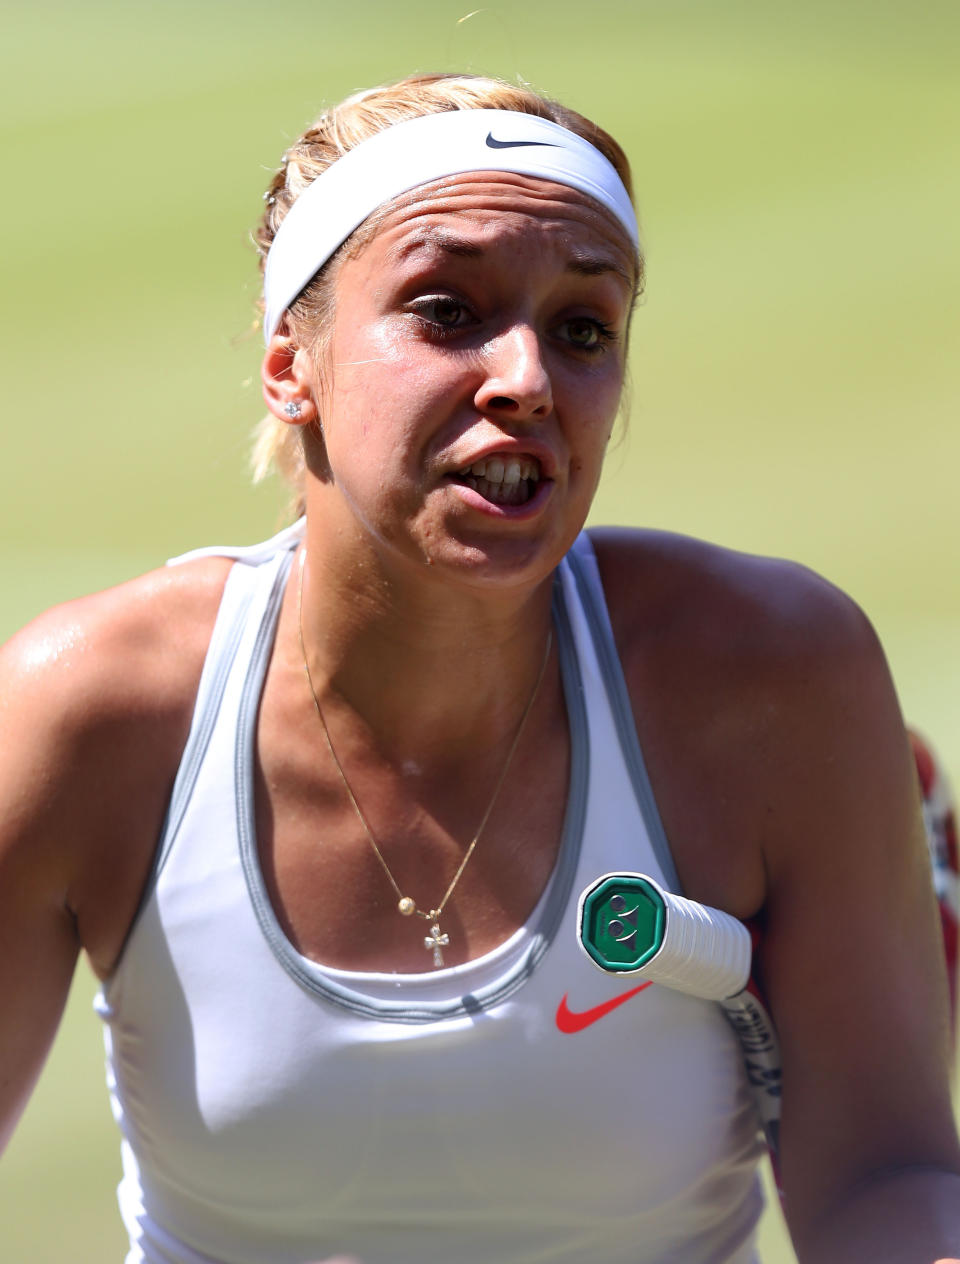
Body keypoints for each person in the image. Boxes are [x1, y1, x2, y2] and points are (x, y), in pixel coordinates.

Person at [1, 71, 958, 1264]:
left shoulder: (778, 682)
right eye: (448, 309)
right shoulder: (83, 712)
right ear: (290, 363)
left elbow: (888, 1172)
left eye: (583, 328)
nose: (528, 380)